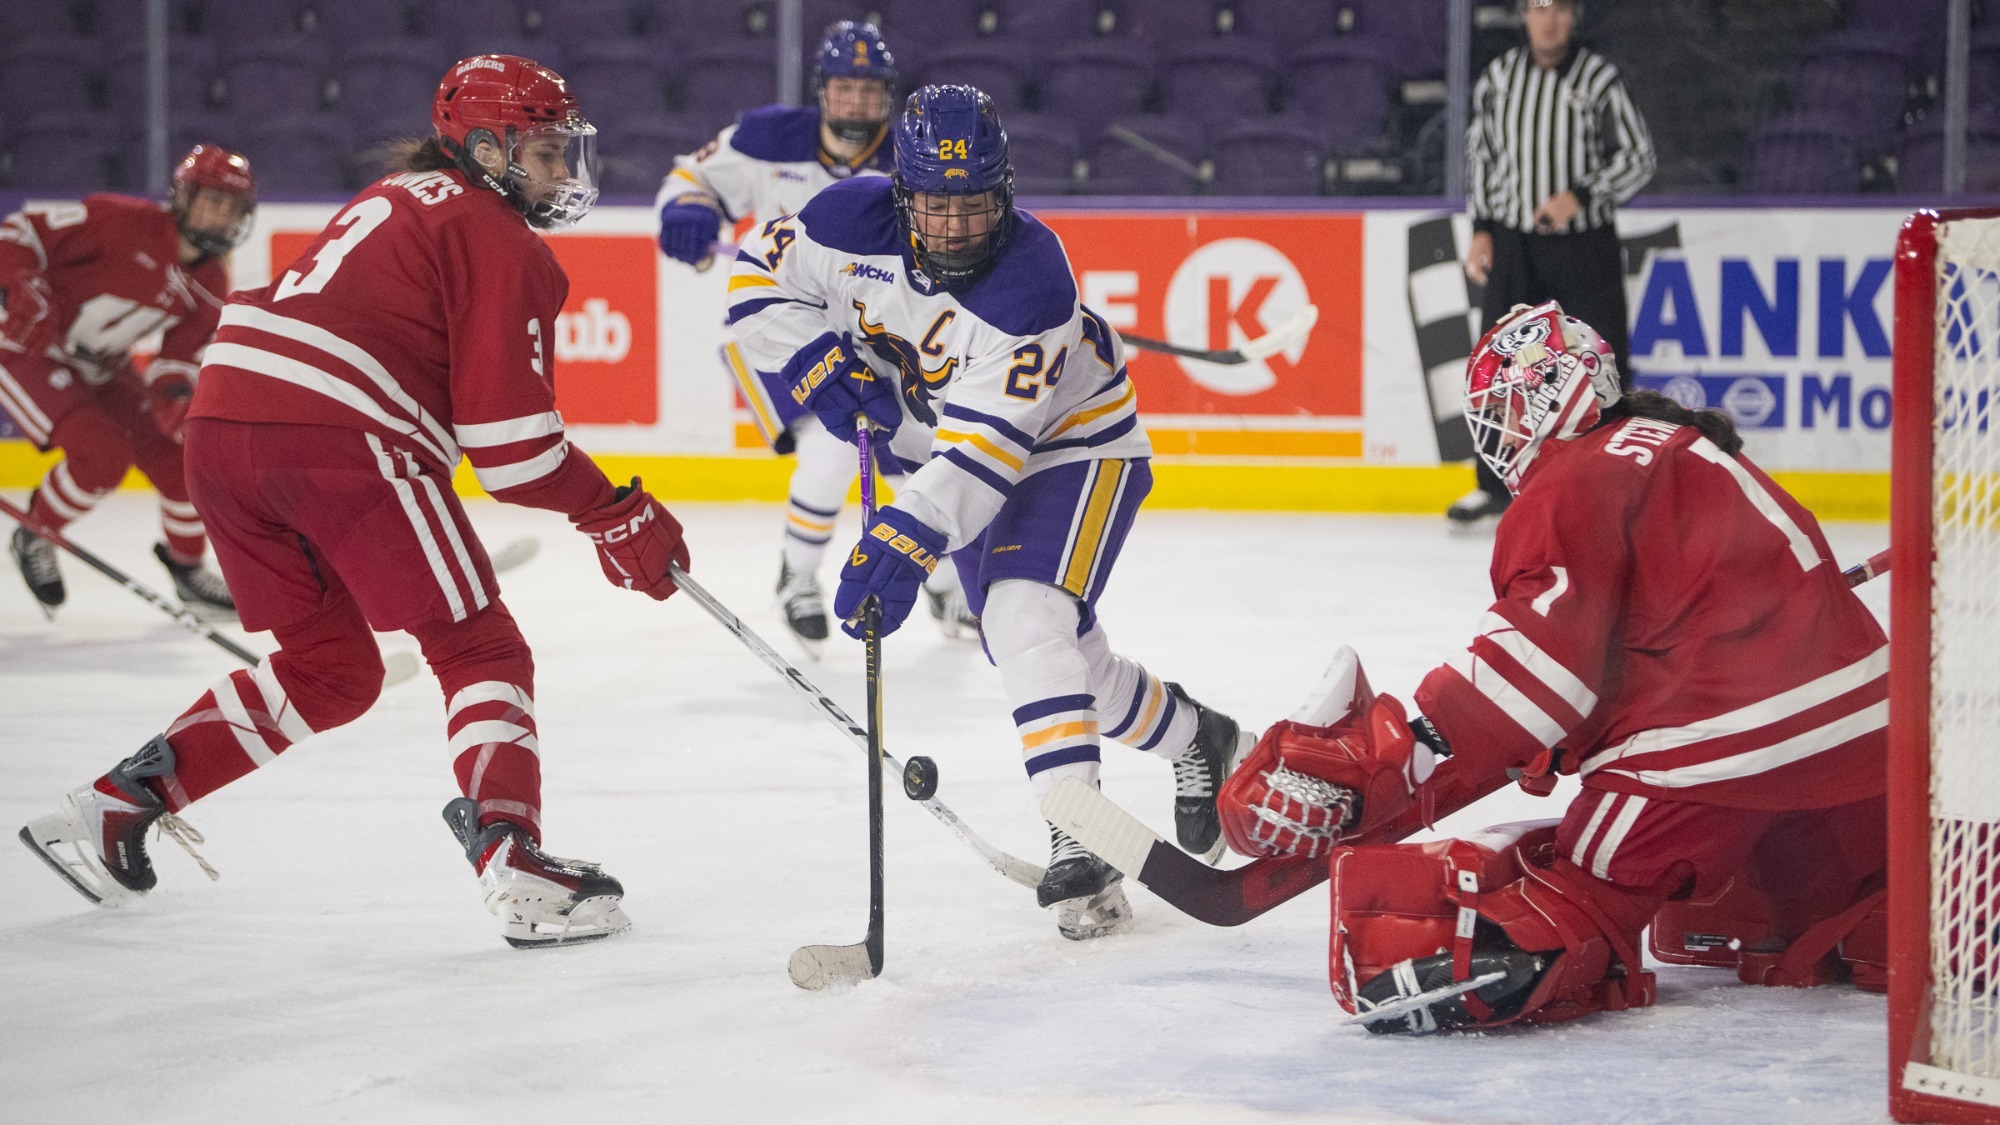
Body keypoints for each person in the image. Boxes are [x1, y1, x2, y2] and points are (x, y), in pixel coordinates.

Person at [17, 55, 691, 950]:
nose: (564, 172)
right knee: (477, 641)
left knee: (332, 668)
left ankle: (109, 809)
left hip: (223, 428)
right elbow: (513, 450)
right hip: (335, 436)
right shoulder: (499, 239)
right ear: (487, 150)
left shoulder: (397, 195)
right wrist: (618, 509)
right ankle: (516, 862)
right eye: (546, 152)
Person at [1217, 301, 1888, 1032]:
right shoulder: (1677, 443)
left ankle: (1527, 950)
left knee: (1587, 868)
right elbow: (1636, 647)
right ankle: (1861, 913)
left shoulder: (1575, 477)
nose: (1498, 436)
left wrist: (1395, 753)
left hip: (1723, 747)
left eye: (1503, 411)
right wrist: (1550, 738)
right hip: (1865, 741)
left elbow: (1542, 668)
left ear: (1550, 395)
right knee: (1842, 881)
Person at [727, 84, 1249, 940]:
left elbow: (986, 453)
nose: (957, 225)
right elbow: (755, 282)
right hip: (951, 455)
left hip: (1075, 446)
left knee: (1021, 613)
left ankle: (1077, 828)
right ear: (903, 193)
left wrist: (906, 533)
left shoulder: (1033, 279)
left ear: (1003, 192)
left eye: (974, 204)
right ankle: (1200, 737)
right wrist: (814, 358)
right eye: (936, 203)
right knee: (1053, 651)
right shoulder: (842, 220)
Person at [655, 20, 975, 652]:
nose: (857, 103)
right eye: (845, 88)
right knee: (832, 447)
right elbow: (691, 178)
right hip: (774, 323)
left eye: (870, 89)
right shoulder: (767, 136)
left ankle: (935, 576)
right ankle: (797, 576)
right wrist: (687, 209)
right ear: (822, 91)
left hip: (880, 336)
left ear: (888, 96)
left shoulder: (912, 155)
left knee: (918, 449)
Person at [1, 144, 257, 618]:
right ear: (184, 197)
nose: (222, 215)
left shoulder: (211, 283)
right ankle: (35, 532)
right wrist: (22, 283)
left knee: (181, 461)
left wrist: (178, 403)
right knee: (101, 456)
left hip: (101, 361)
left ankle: (187, 569)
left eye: (233, 206)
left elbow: (175, 362)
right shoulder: (117, 220)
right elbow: (20, 232)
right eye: (213, 200)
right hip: (24, 349)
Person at [1453, 0, 1654, 527]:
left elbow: (1638, 157)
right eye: (1540, 7)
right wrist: (1481, 228)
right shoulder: (1498, 78)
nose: (1550, 19)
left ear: (1575, 15)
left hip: (1583, 246)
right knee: (1501, 362)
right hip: (1515, 242)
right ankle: (1493, 486)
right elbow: (1482, 157)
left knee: (1600, 361)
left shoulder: (1598, 78)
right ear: (1523, 14)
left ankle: (1614, 486)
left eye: (1561, 8)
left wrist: (1582, 196)